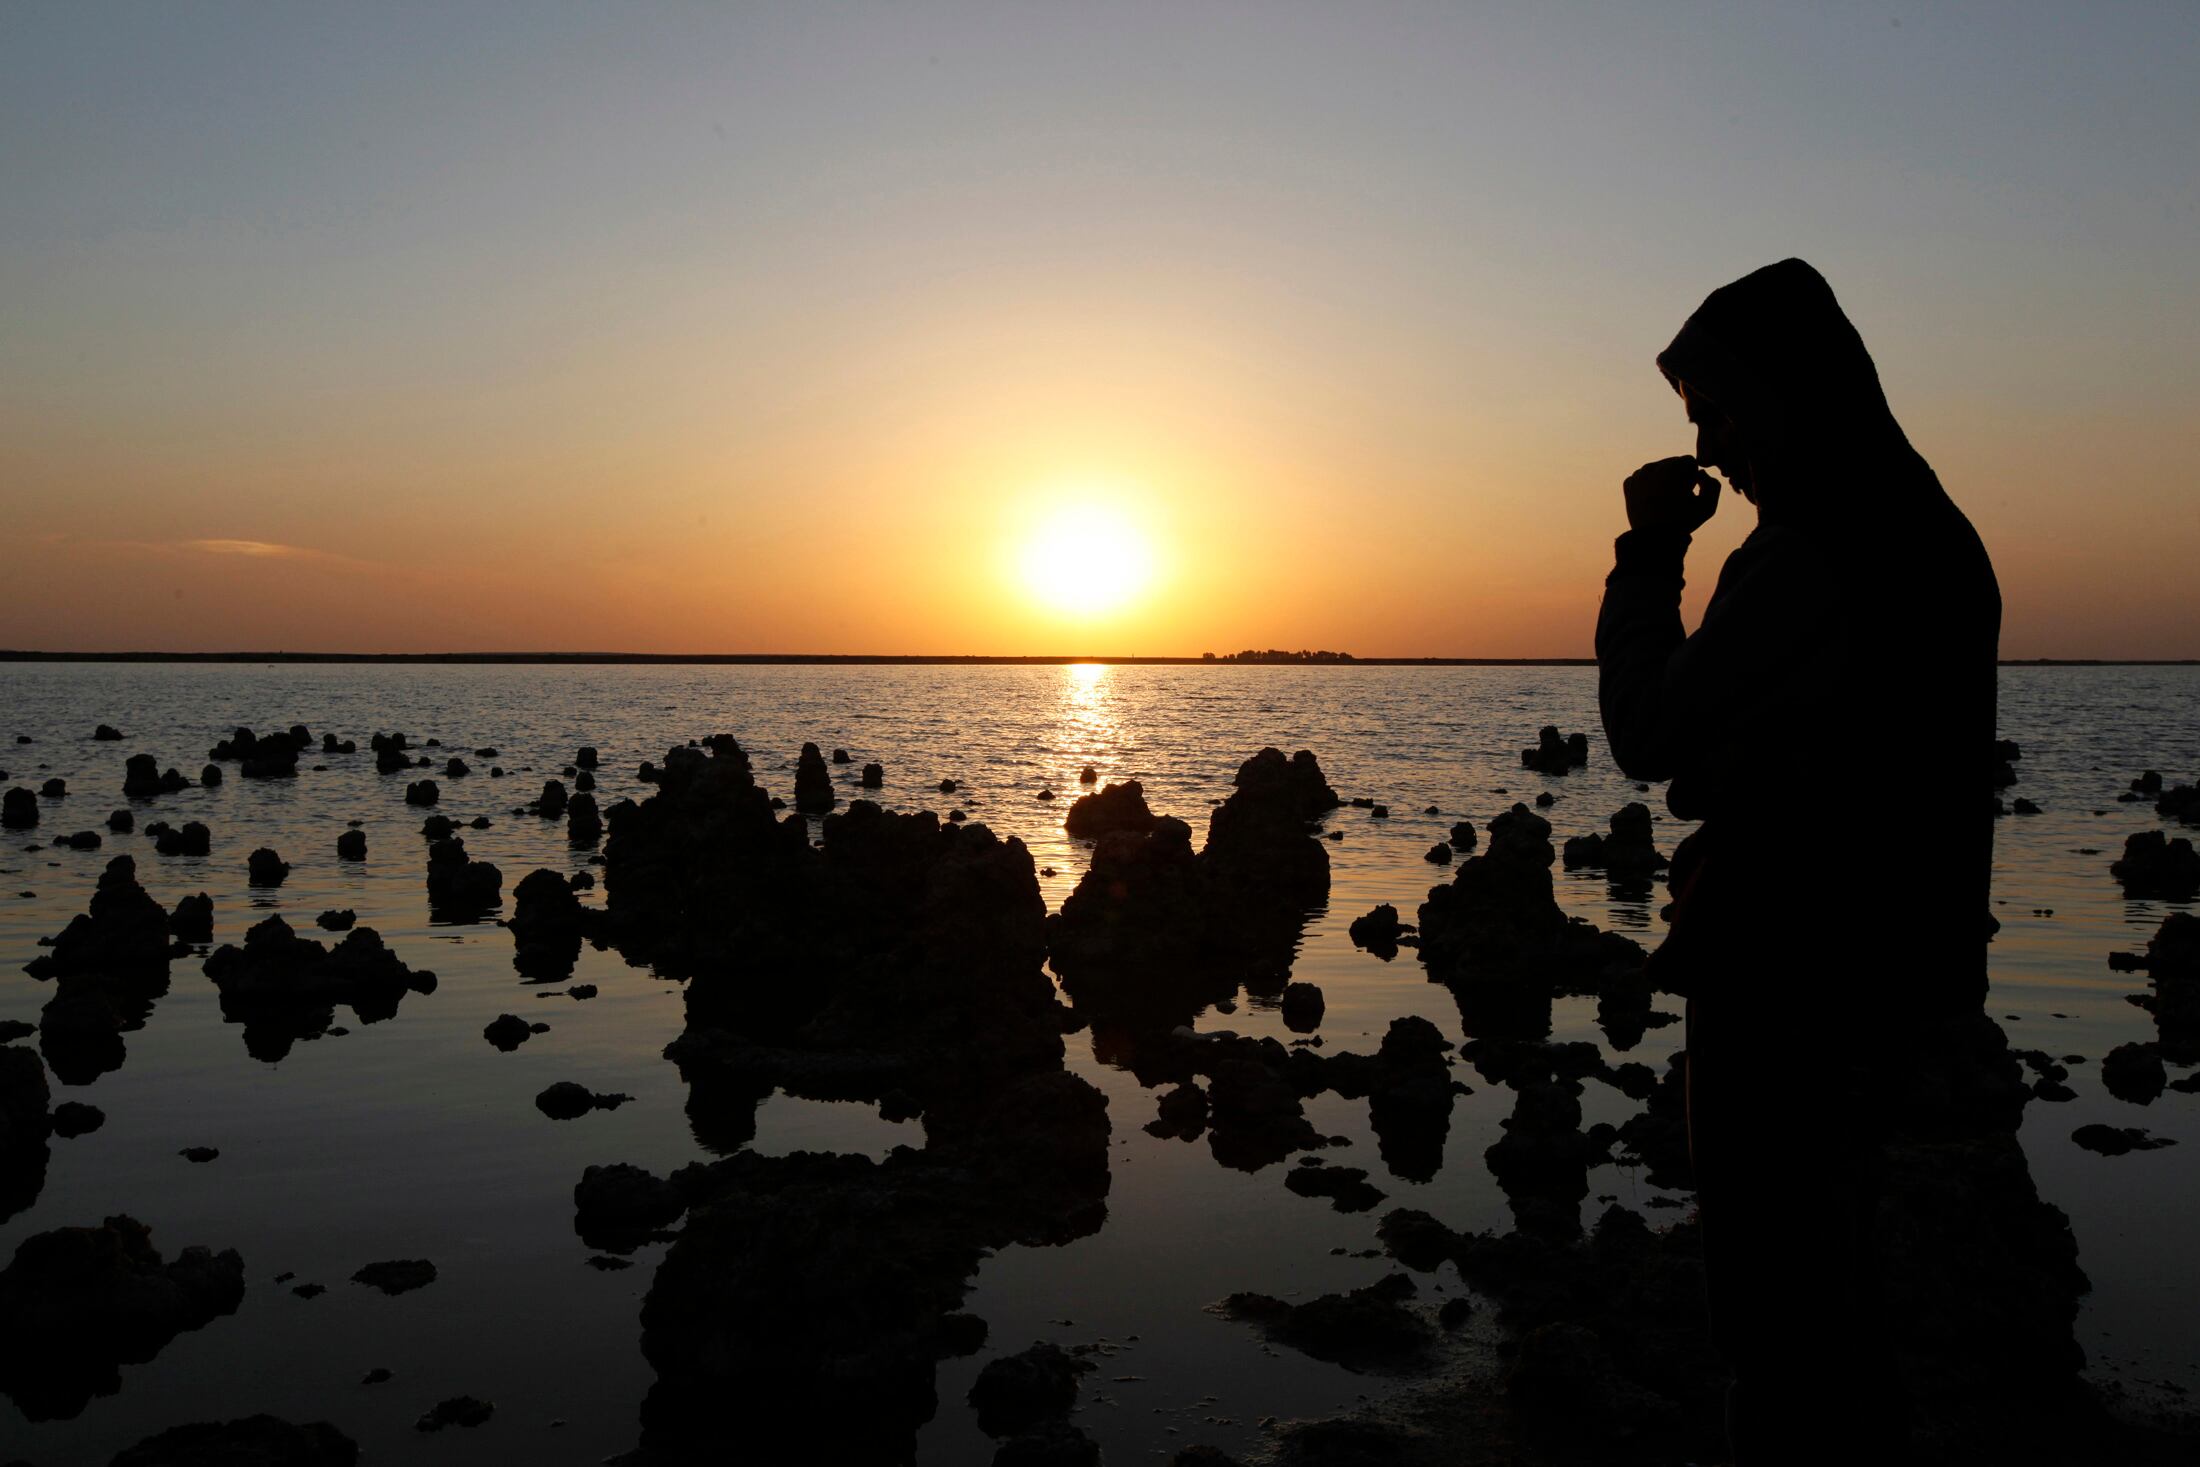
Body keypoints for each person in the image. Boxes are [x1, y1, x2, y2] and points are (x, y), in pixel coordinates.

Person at [1595, 258, 2001, 1463]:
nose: (1710, 449)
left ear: (1783, 393)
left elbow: (1646, 733)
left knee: (1776, 1324)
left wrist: (1647, 550)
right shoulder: (1929, 532)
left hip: (1788, 974)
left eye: (1713, 411)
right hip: (1895, 968)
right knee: (1837, 1307)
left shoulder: (1811, 551)